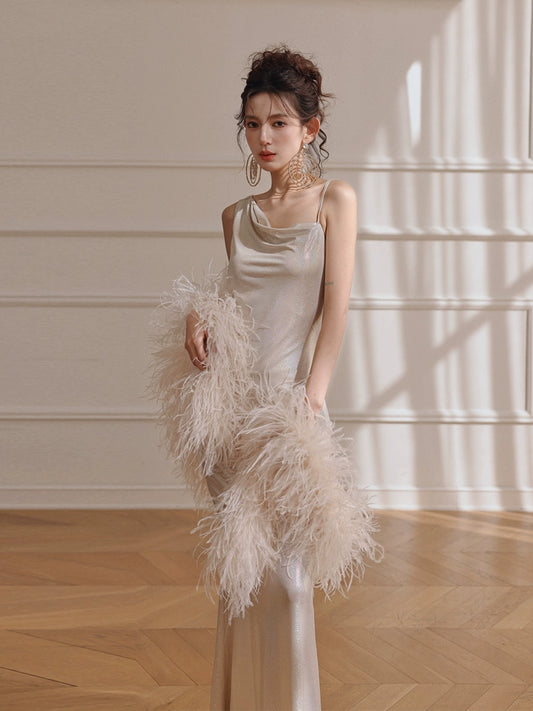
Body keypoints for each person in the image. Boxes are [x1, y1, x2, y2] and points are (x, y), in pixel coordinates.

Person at [152, 46, 381, 711]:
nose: (264, 137)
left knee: (288, 580)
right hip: (230, 415)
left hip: (288, 417)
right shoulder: (236, 217)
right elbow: (238, 307)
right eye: (252, 124)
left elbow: (334, 307)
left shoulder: (334, 201)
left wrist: (312, 395)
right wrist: (197, 314)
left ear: (310, 127)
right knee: (241, 576)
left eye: (279, 123)